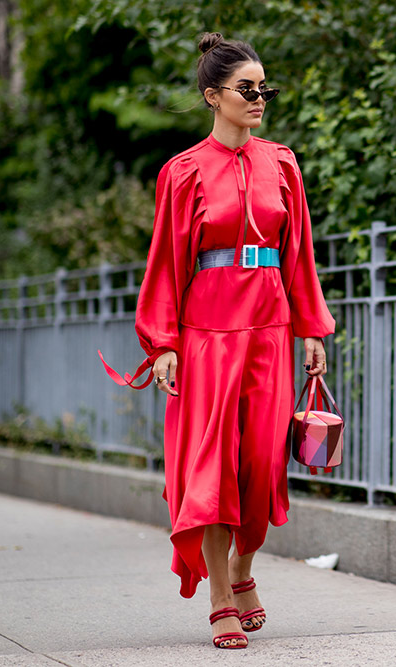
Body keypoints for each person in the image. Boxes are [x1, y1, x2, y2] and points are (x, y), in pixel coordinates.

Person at [100, 32, 335, 649]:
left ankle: (242, 568)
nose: (260, 98)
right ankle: (221, 597)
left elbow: (299, 253)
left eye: (266, 88)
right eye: (246, 89)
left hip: (270, 325)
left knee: (260, 462)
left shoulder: (282, 162)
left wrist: (312, 327)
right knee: (211, 465)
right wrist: (163, 343)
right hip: (205, 331)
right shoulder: (182, 171)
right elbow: (164, 263)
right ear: (213, 96)